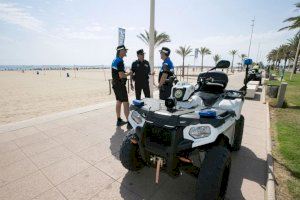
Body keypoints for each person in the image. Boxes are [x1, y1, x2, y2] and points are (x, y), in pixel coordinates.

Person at [111, 45, 132, 127]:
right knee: (126, 103)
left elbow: (118, 72)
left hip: (115, 84)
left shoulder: (115, 60)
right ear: (121, 51)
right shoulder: (120, 61)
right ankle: (129, 123)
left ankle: (119, 120)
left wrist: (124, 72)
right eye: (125, 50)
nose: (126, 52)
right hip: (120, 85)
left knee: (119, 101)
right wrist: (129, 73)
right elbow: (121, 75)